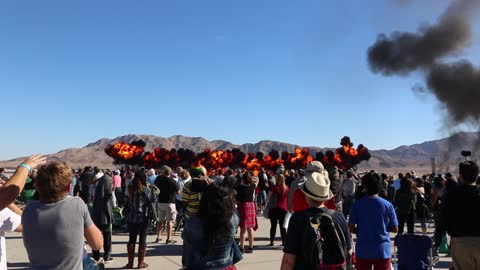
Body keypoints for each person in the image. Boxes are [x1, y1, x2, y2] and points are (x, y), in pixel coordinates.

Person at [22, 162, 103, 270]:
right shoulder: (76, 204)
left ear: (37, 186)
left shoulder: (29, 209)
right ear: (69, 187)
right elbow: (97, 245)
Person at [281, 171, 352, 270]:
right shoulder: (339, 217)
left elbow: (289, 260)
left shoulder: (298, 218)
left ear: (307, 195)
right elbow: (348, 251)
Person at [182, 183, 242, 270]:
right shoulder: (233, 217)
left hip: (200, 266)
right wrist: (218, 189)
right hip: (225, 264)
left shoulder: (193, 222)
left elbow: (187, 249)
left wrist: (211, 190)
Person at [349, 172, 398, 270]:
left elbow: (351, 228)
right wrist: (383, 227)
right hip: (382, 251)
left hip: (363, 250)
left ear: (365, 186)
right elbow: (395, 229)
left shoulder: (357, 205)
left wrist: (362, 230)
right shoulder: (388, 205)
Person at [440, 161, 480, 270]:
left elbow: (444, 218)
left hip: (460, 240)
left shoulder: (451, 194)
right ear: (477, 176)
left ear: (461, 176)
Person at [124, 171, 156, 269]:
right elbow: (153, 200)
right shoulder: (146, 190)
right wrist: (150, 187)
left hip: (132, 217)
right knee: (142, 240)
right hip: (144, 218)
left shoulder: (130, 189)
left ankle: (130, 263)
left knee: (131, 240)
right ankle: (140, 263)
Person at [91, 168, 114, 263]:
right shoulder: (107, 181)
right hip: (105, 214)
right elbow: (108, 200)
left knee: (96, 235)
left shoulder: (99, 184)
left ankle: (96, 256)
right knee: (107, 235)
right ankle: (106, 256)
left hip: (96, 214)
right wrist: (110, 217)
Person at [154, 165, 179, 244]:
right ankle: (169, 238)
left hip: (160, 201)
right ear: (170, 173)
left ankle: (158, 237)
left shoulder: (158, 179)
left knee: (160, 220)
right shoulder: (172, 181)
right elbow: (178, 192)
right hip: (170, 202)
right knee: (169, 221)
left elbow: (154, 187)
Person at [234, 171, 257, 253]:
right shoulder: (253, 186)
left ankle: (242, 248)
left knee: (242, 229)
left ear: (242, 179)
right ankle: (251, 248)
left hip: (242, 207)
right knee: (250, 229)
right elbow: (255, 181)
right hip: (251, 206)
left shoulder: (238, 188)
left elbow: (234, 199)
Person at [267, 174, 289, 246]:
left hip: (274, 208)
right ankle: (284, 241)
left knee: (273, 226)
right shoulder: (287, 188)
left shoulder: (274, 188)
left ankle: (272, 241)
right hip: (283, 209)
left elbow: (268, 198)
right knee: (283, 227)